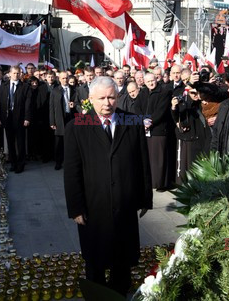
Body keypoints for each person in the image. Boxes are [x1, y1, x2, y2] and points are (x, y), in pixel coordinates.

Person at [64, 76, 152, 296]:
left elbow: (143, 162)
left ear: (118, 97)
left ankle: (120, 293)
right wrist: (76, 208)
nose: (107, 103)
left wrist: (144, 198)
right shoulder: (77, 127)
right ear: (90, 99)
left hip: (124, 204)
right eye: (101, 98)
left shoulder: (132, 122)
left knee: (122, 261)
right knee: (95, 261)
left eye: (111, 97)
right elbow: (72, 171)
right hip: (94, 206)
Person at [134, 73, 171, 191]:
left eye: (152, 80)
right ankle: (149, 182)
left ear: (156, 79)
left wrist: (149, 122)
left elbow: (161, 111)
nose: (151, 83)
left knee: (159, 159)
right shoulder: (143, 93)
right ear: (144, 82)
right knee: (147, 158)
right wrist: (142, 121)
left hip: (158, 130)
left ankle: (160, 183)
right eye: (148, 81)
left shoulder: (164, 92)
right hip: (144, 129)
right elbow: (137, 108)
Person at [0, 66, 32, 173]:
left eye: (18, 73)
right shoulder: (3, 87)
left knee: (20, 142)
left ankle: (21, 163)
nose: (16, 75)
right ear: (10, 74)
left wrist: (27, 118)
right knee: (10, 142)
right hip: (7, 118)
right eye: (14, 73)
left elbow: (28, 104)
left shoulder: (25, 87)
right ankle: (13, 163)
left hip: (20, 118)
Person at [171, 86, 211, 183]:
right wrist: (173, 107)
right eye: (193, 93)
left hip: (203, 136)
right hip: (189, 137)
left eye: (197, 93)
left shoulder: (205, 102)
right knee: (187, 166)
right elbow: (177, 116)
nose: (196, 95)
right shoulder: (184, 103)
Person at [50, 71, 76, 170]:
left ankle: (69, 161)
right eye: (63, 78)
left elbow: (77, 102)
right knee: (59, 142)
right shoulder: (55, 90)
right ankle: (58, 161)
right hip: (60, 118)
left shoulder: (74, 89)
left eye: (66, 78)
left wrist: (74, 104)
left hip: (71, 117)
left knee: (70, 141)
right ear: (59, 79)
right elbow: (51, 107)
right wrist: (52, 121)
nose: (65, 80)